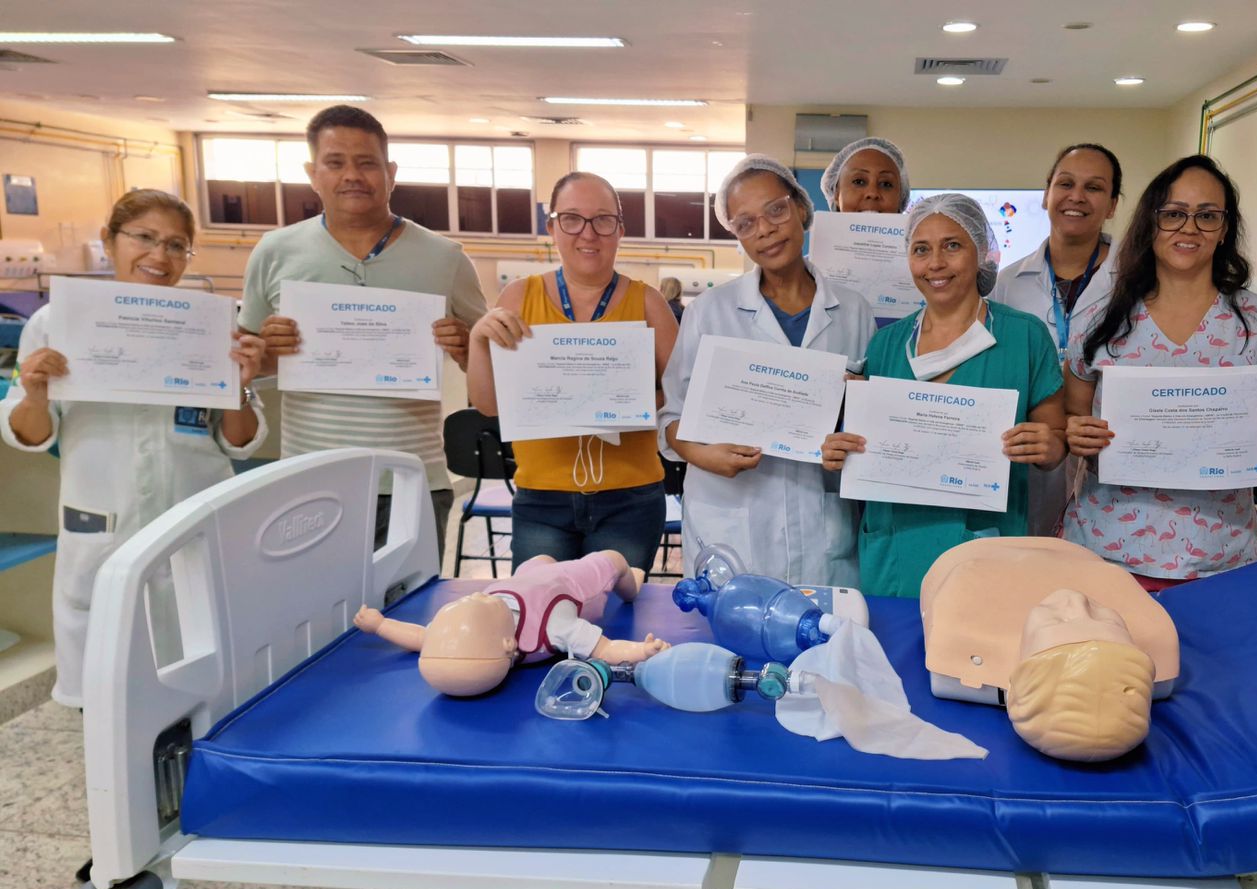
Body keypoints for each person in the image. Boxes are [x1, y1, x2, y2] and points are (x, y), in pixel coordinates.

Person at [0, 189, 267, 708]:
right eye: (143, 238)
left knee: (199, 679)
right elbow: (31, 436)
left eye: (176, 245)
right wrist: (34, 393)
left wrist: (237, 385)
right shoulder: (53, 325)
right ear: (109, 240)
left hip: (195, 508)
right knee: (106, 688)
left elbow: (237, 442)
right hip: (102, 516)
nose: (159, 256)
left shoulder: (215, 327)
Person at [239, 105, 488, 559]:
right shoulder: (275, 252)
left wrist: (467, 350)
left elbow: (489, 363)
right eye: (335, 163)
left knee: (407, 622)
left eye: (367, 162)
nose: (352, 175)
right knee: (312, 622)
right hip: (308, 484)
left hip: (412, 482)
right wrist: (269, 354)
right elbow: (243, 365)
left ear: (390, 173)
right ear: (313, 173)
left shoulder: (444, 257)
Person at [1061, 155, 1257, 589]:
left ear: (1225, 228)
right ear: (1150, 223)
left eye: (1206, 216)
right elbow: (1071, 424)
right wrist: (1075, 434)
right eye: (1174, 214)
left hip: (1223, 555)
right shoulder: (1100, 320)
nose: (1189, 229)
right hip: (1108, 555)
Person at [821, 193, 1067, 598]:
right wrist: (839, 451)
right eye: (921, 249)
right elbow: (863, 442)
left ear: (980, 252)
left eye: (952, 245)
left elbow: (1055, 440)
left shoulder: (1024, 337)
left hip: (989, 548)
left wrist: (1048, 445)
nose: (935, 263)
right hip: (894, 551)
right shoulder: (886, 345)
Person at [659, 155, 874, 586]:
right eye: (745, 223)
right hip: (733, 521)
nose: (765, 229)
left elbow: (868, 422)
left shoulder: (852, 310)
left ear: (800, 208)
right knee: (732, 647)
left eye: (776, 209)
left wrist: (858, 408)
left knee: (823, 643)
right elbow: (671, 419)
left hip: (823, 524)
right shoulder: (709, 312)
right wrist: (704, 455)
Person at [467, 171, 679, 571]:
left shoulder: (648, 303)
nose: (588, 233)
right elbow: (489, 404)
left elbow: (680, 393)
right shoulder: (517, 297)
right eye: (572, 219)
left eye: (602, 220)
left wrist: (625, 406)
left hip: (629, 498)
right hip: (542, 496)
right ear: (551, 226)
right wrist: (479, 339)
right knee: (542, 616)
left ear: (620, 230)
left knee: (613, 616)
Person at [993, 142, 1123, 537]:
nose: (1077, 197)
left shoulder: (1139, 283)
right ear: (1047, 193)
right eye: (1065, 183)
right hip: (1031, 461)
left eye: (1094, 187)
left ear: (1113, 204)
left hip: (1111, 461)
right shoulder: (1007, 284)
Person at [820, 137, 910, 214]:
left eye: (886, 184)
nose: (872, 193)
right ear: (836, 194)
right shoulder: (818, 234)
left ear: (900, 197)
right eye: (859, 182)